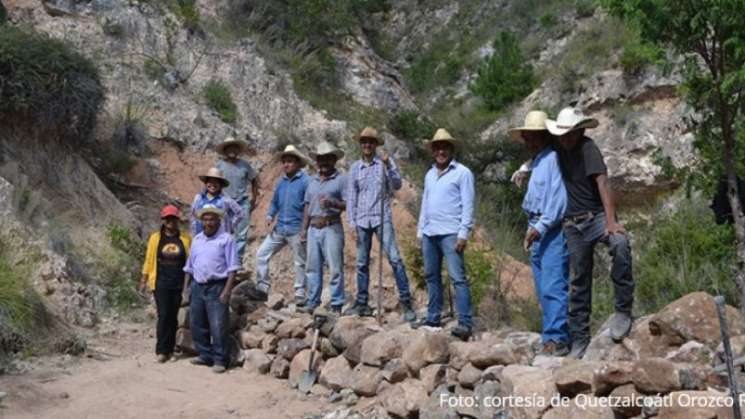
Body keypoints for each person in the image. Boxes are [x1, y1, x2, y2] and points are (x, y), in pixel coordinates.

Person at [546, 107, 634, 359]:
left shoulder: (588, 148)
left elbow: (602, 183)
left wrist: (610, 221)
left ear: (580, 130)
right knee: (578, 279)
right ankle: (580, 338)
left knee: (619, 244)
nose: (566, 138)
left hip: (595, 217)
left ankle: (623, 310)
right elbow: (540, 157)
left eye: (570, 133)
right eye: (562, 134)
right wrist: (523, 168)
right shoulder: (558, 149)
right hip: (572, 224)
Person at [508, 111, 570, 356]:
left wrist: (539, 228)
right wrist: (525, 167)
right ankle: (551, 334)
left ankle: (557, 338)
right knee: (543, 286)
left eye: (531, 135)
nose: (526, 139)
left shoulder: (554, 158)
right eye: (525, 135)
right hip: (536, 224)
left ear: (543, 135)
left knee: (553, 284)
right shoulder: (540, 159)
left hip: (550, 228)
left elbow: (559, 200)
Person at [344, 127, 416, 322]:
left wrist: (389, 165)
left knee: (395, 259)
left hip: (381, 217)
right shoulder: (355, 168)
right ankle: (362, 303)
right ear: (361, 145)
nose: (367, 145)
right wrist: (352, 224)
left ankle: (407, 303)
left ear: (376, 145)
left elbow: (397, 184)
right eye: (364, 141)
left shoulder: (383, 164)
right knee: (361, 263)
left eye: (371, 142)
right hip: (362, 220)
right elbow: (351, 197)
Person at [415, 128, 475, 341]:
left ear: (451, 149)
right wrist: (420, 230)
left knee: (458, 278)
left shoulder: (463, 173)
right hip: (430, 232)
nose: (441, 151)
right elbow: (425, 203)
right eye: (437, 147)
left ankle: (466, 322)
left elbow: (468, 205)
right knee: (431, 276)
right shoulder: (430, 174)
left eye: (445, 147)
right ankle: (433, 317)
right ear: (433, 150)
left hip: (451, 232)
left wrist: (463, 233)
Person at [182, 205, 240, 373]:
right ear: (201, 221)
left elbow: (233, 268)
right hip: (198, 286)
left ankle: (220, 360)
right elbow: (189, 266)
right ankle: (205, 355)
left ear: (218, 220)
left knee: (218, 325)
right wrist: (186, 289)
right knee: (197, 323)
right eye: (206, 219)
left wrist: (227, 291)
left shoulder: (226, 239)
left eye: (212, 219)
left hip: (217, 286)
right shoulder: (197, 239)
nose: (209, 222)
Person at [254, 145, 311, 304]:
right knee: (261, 254)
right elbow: (275, 202)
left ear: (298, 163)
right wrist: (270, 215)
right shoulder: (281, 182)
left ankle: (300, 293)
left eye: (290, 161)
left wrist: (305, 229)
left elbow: (309, 205)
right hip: (280, 228)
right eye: (284, 161)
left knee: (300, 261)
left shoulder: (306, 181)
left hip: (296, 229)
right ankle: (262, 288)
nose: (286, 164)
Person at [298, 141, 347, 314]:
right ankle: (312, 301)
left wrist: (332, 202)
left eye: (327, 159)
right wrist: (303, 230)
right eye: (321, 159)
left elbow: (347, 204)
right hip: (313, 227)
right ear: (317, 161)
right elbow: (306, 206)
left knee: (335, 267)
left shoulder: (341, 180)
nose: (324, 162)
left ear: (334, 160)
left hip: (331, 225)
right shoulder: (311, 181)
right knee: (312, 267)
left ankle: (336, 303)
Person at [139, 205, 192, 363]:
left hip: (178, 283)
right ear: (163, 220)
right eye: (168, 219)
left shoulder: (185, 238)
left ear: (178, 220)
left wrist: (188, 285)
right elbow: (149, 259)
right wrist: (143, 279)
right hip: (161, 282)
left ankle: (171, 348)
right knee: (163, 315)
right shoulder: (156, 238)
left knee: (173, 316)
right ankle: (161, 350)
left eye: (173, 219)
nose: (171, 222)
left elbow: (190, 261)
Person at [216, 136, 259, 264]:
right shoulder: (219, 166)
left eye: (234, 147)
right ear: (225, 150)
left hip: (242, 202)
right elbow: (213, 183)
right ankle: (223, 259)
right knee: (224, 232)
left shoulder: (245, 165)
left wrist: (254, 199)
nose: (232, 150)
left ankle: (237, 262)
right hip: (225, 203)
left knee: (241, 234)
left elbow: (254, 180)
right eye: (229, 147)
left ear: (238, 150)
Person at [190, 167, 244, 237]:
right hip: (201, 235)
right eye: (210, 182)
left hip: (219, 237)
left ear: (220, 185)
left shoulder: (225, 200)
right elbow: (193, 215)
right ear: (206, 183)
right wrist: (194, 232)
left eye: (216, 182)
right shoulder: (198, 198)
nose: (213, 185)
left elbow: (240, 213)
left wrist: (230, 227)